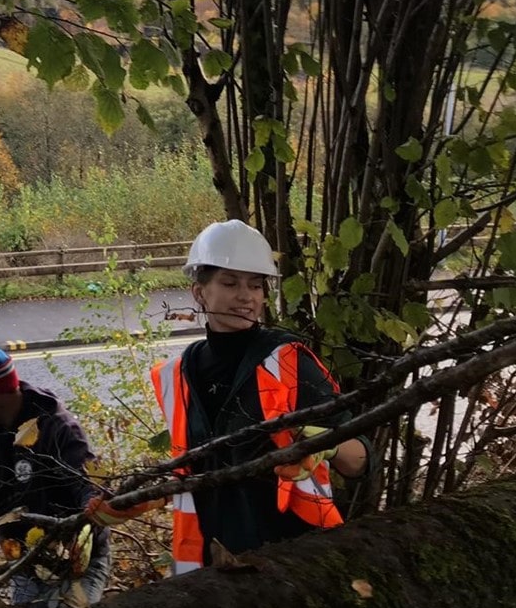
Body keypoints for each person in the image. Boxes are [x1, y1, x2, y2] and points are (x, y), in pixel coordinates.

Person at [86, 219, 374, 575]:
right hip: (215, 570)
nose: (247, 296)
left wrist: (328, 445)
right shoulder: (179, 374)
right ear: (199, 292)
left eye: (255, 285)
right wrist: (138, 500)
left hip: (291, 562)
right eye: (230, 282)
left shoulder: (288, 360)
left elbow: (361, 459)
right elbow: (195, 473)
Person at [0, 346, 109, 608]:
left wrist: (90, 518)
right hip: (25, 559)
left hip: (75, 560)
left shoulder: (56, 426)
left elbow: (88, 484)